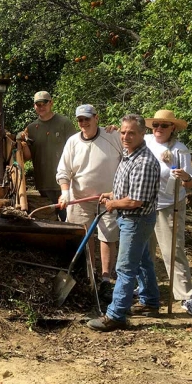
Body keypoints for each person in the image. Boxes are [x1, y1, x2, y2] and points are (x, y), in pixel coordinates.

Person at [88, 114, 161, 332]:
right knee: (142, 261)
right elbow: (129, 190)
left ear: (142, 134)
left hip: (136, 219)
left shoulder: (144, 162)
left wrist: (113, 204)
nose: (126, 136)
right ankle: (149, 301)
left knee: (125, 268)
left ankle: (116, 314)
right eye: (123, 132)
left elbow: (135, 201)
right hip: (130, 218)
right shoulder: (129, 155)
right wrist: (112, 194)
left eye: (131, 133)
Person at [56, 104, 122, 302]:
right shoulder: (73, 142)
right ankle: (88, 275)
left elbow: (130, 156)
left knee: (107, 236)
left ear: (96, 118)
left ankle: (105, 279)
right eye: (80, 120)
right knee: (83, 235)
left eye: (87, 119)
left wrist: (119, 193)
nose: (84, 123)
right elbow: (63, 171)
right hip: (80, 199)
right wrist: (65, 192)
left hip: (108, 198)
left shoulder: (113, 137)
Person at [145, 110, 192, 316]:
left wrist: (185, 176)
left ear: (173, 128)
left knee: (173, 251)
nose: (158, 129)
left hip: (169, 205)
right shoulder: (145, 141)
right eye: (156, 125)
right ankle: (145, 290)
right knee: (144, 250)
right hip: (143, 203)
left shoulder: (180, 150)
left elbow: (190, 184)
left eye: (164, 125)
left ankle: (185, 296)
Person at [18, 91, 77, 221]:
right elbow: (27, 156)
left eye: (44, 103)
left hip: (65, 183)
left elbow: (77, 149)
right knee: (49, 224)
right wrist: (20, 141)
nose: (41, 107)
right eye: (37, 104)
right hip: (43, 184)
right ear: (34, 106)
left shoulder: (64, 123)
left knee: (69, 221)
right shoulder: (31, 128)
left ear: (51, 103)